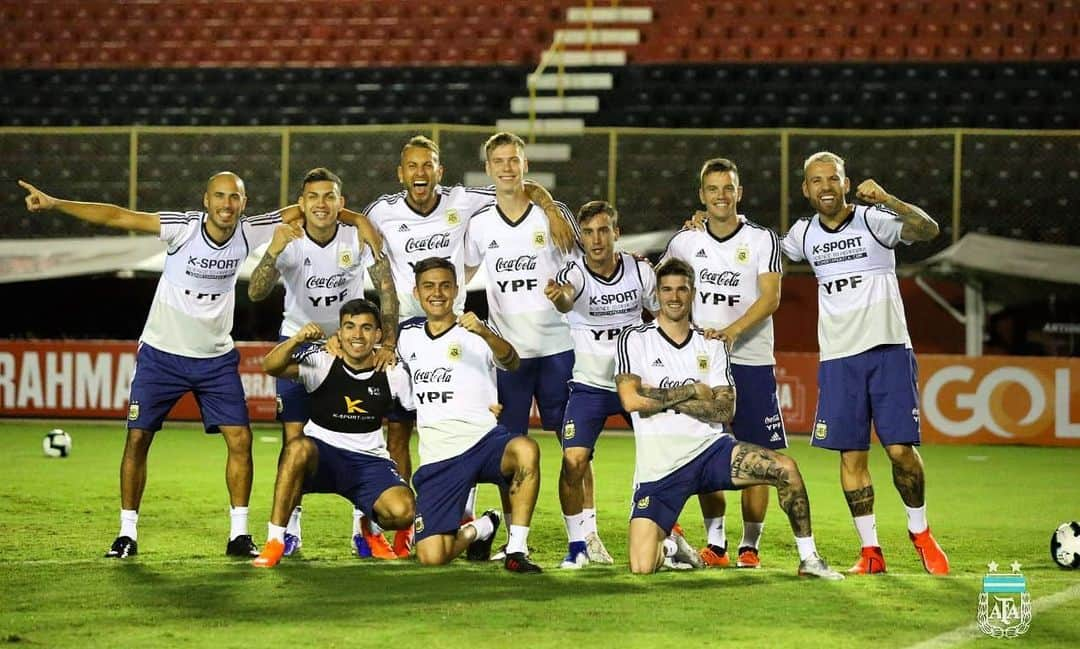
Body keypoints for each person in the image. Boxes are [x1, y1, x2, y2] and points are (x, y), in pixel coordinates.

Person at [19, 173, 295, 559]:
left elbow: (308, 205)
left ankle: (239, 535)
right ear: (206, 200)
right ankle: (127, 532)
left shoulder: (251, 230)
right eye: (219, 196)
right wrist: (55, 203)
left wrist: (358, 219)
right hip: (161, 355)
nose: (227, 204)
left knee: (241, 440)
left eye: (235, 197)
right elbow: (117, 217)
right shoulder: (182, 228)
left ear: (244, 203)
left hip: (215, 359)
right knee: (138, 438)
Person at [364, 135, 572, 554]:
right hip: (406, 332)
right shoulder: (381, 212)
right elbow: (379, 271)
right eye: (413, 166)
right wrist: (388, 336)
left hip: (457, 326)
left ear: (440, 172)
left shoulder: (466, 200)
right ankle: (398, 526)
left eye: (429, 165)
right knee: (396, 432)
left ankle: (477, 521)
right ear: (400, 173)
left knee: (475, 419)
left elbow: (516, 184)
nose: (420, 173)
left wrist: (549, 208)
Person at [615, 258, 842, 578]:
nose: (674, 296)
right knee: (641, 566)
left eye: (682, 289)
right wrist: (692, 390)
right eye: (666, 289)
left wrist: (662, 399)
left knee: (786, 469)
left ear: (693, 292)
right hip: (660, 469)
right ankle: (670, 546)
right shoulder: (634, 339)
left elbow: (724, 411)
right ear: (657, 293)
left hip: (711, 451)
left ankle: (810, 559)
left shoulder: (711, 342)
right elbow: (630, 400)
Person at [781, 151, 949, 575]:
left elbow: (928, 229)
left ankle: (920, 532)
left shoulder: (873, 221)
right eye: (816, 180)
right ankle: (871, 551)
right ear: (806, 189)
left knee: (900, 451)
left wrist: (888, 199)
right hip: (839, 359)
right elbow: (755, 253)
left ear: (845, 181)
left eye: (832, 178)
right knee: (851, 458)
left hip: (889, 349)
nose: (825, 187)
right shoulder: (803, 237)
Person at [247, 167, 400, 559]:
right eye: (313, 197)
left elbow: (387, 288)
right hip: (301, 343)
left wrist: (389, 341)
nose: (321, 204)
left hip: (355, 347)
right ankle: (289, 530)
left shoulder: (356, 234)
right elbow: (256, 291)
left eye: (329, 196)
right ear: (301, 204)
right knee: (295, 440)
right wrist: (274, 249)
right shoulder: (291, 239)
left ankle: (363, 530)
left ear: (340, 203)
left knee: (363, 429)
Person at [660, 158, 785, 569]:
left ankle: (750, 545)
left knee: (759, 455)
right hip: (700, 365)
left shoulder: (763, 239)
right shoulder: (684, 242)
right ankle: (716, 541)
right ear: (702, 196)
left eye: (727, 188)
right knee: (701, 449)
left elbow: (770, 299)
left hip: (750, 360)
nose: (720, 196)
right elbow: (664, 293)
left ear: (739, 193)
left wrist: (731, 332)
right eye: (712, 189)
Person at [464, 132, 577, 558]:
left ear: (525, 165)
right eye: (499, 161)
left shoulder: (552, 216)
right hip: (508, 356)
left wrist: (562, 296)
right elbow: (463, 277)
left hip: (556, 349)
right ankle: (515, 541)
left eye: (514, 160)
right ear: (489, 168)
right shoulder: (479, 225)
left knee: (575, 448)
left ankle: (583, 537)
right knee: (508, 450)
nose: (508, 167)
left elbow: (575, 281)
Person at [398, 257, 543, 573]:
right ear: (416, 292)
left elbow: (512, 361)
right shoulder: (404, 336)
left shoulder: (475, 329)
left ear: (455, 290)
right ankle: (483, 527)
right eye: (429, 286)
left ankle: (516, 549)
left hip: (483, 441)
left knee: (525, 450)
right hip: (439, 458)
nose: (437, 293)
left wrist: (485, 333)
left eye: (444, 285)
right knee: (432, 557)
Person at [252, 299, 415, 568]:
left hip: (368, 461)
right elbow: (270, 367)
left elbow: (424, 406)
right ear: (339, 332)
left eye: (366, 328)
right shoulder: (322, 361)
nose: (357, 335)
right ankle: (276, 540)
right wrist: (296, 339)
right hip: (322, 457)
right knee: (296, 448)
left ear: (378, 334)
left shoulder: (393, 372)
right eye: (349, 327)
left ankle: (368, 523)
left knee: (403, 512)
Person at [545, 200, 657, 568]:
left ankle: (664, 534)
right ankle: (578, 545)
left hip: (634, 384)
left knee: (662, 457)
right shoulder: (574, 273)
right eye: (589, 232)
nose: (596, 239)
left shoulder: (640, 271)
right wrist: (559, 297)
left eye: (603, 230)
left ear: (616, 233)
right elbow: (565, 299)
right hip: (590, 386)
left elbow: (663, 313)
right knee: (573, 460)